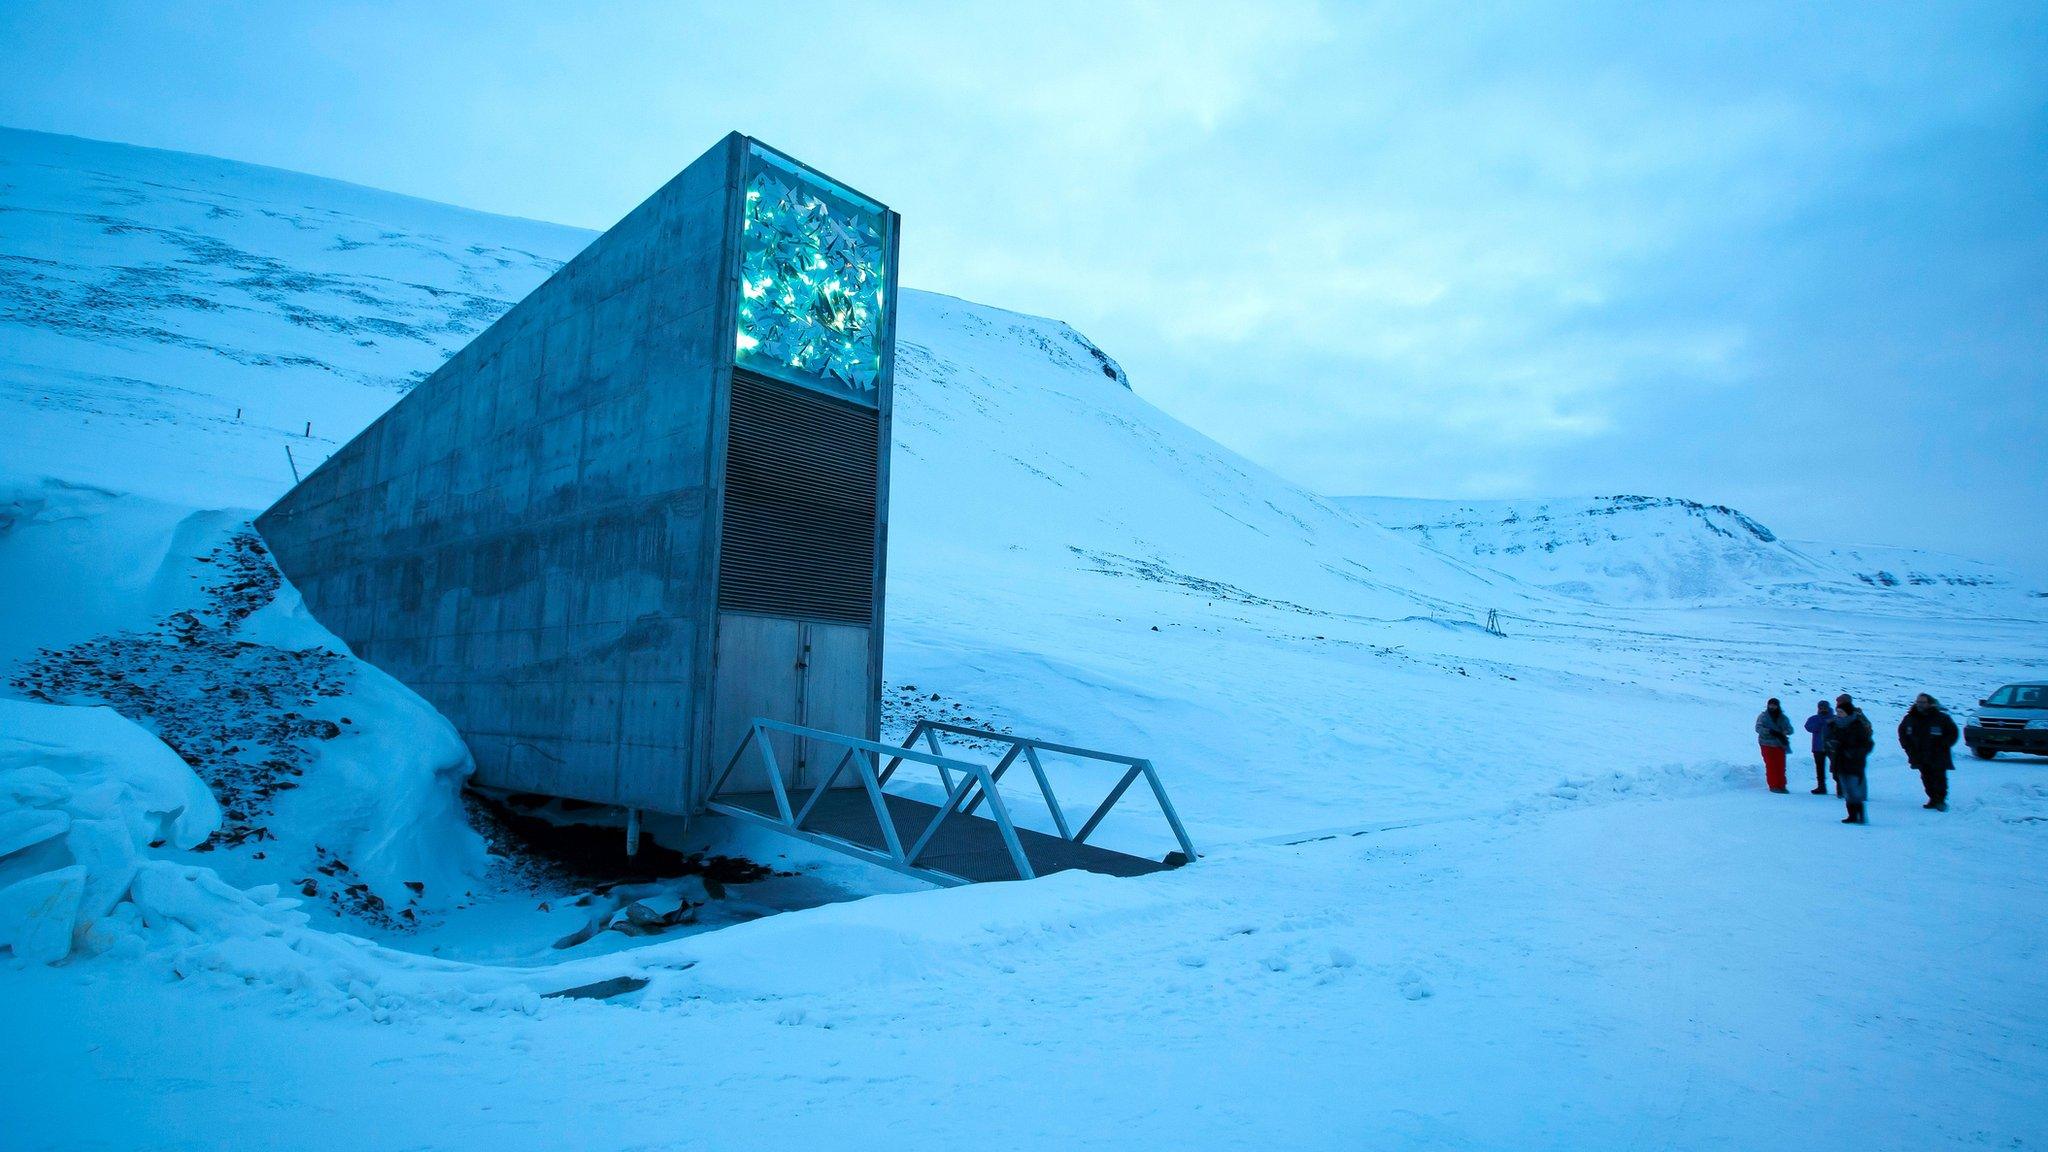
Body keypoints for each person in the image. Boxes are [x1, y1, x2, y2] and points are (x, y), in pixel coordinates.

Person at [1898, 693, 1959, 811]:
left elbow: (1953, 733)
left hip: (1938, 754)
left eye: (1923, 702)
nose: (1920, 705)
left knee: (1939, 777)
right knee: (1926, 777)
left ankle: (1940, 800)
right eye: (1918, 702)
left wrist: (1943, 745)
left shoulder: (1941, 718)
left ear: (1930, 703)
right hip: (1919, 754)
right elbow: (1902, 733)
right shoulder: (1910, 718)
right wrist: (1907, 747)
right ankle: (1932, 798)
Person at [1826, 693, 1875, 824]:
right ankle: (1851, 815)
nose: (1838, 714)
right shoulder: (1835, 725)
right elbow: (1829, 738)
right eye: (1837, 711)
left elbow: (1868, 744)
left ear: (1847, 712)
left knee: (1854, 791)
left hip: (1854, 763)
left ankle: (1860, 815)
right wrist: (1831, 745)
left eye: (1841, 711)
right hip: (1840, 762)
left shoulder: (1857, 726)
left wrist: (1854, 753)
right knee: (1847, 791)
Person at [1754, 698, 1795, 793]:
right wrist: (1769, 732)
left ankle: (1782, 785)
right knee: (1771, 765)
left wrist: (1785, 731)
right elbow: (1758, 728)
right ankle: (1773, 785)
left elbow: (1790, 729)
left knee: (1781, 765)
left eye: (1774, 705)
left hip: (1780, 744)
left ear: (1778, 706)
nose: (1772, 707)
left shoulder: (1783, 717)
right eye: (1770, 705)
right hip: (1766, 743)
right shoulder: (1763, 716)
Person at [1804, 700, 1835, 795]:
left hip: (1832, 747)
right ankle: (1821, 787)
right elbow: (1808, 727)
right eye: (1821, 708)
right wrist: (1821, 723)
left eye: (1824, 708)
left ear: (1828, 707)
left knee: (1836, 767)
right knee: (1819, 768)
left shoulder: (1835, 718)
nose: (1822, 709)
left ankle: (1840, 787)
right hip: (1818, 747)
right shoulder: (1814, 718)